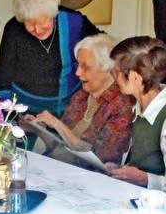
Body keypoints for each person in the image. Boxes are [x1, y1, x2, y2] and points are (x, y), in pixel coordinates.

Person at [22, 34, 133, 166]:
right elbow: (61, 146)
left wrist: (58, 125)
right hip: (59, 168)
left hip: (87, 176)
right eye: (78, 65)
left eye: (85, 67)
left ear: (108, 70)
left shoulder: (121, 106)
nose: (78, 73)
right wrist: (38, 129)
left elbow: (101, 160)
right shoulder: (80, 96)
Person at [0, 0, 100, 115]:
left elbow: (102, 45)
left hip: (69, 109)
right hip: (24, 111)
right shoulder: (13, 29)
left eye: (42, 22)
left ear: (53, 13)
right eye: (30, 24)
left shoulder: (74, 21)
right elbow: (3, 75)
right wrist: (7, 115)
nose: (37, 30)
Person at [106, 36, 166, 195]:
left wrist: (145, 179)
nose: (113, 77)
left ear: (134, 77)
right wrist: (121, 169)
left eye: (115, 72)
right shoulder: (140, 109)